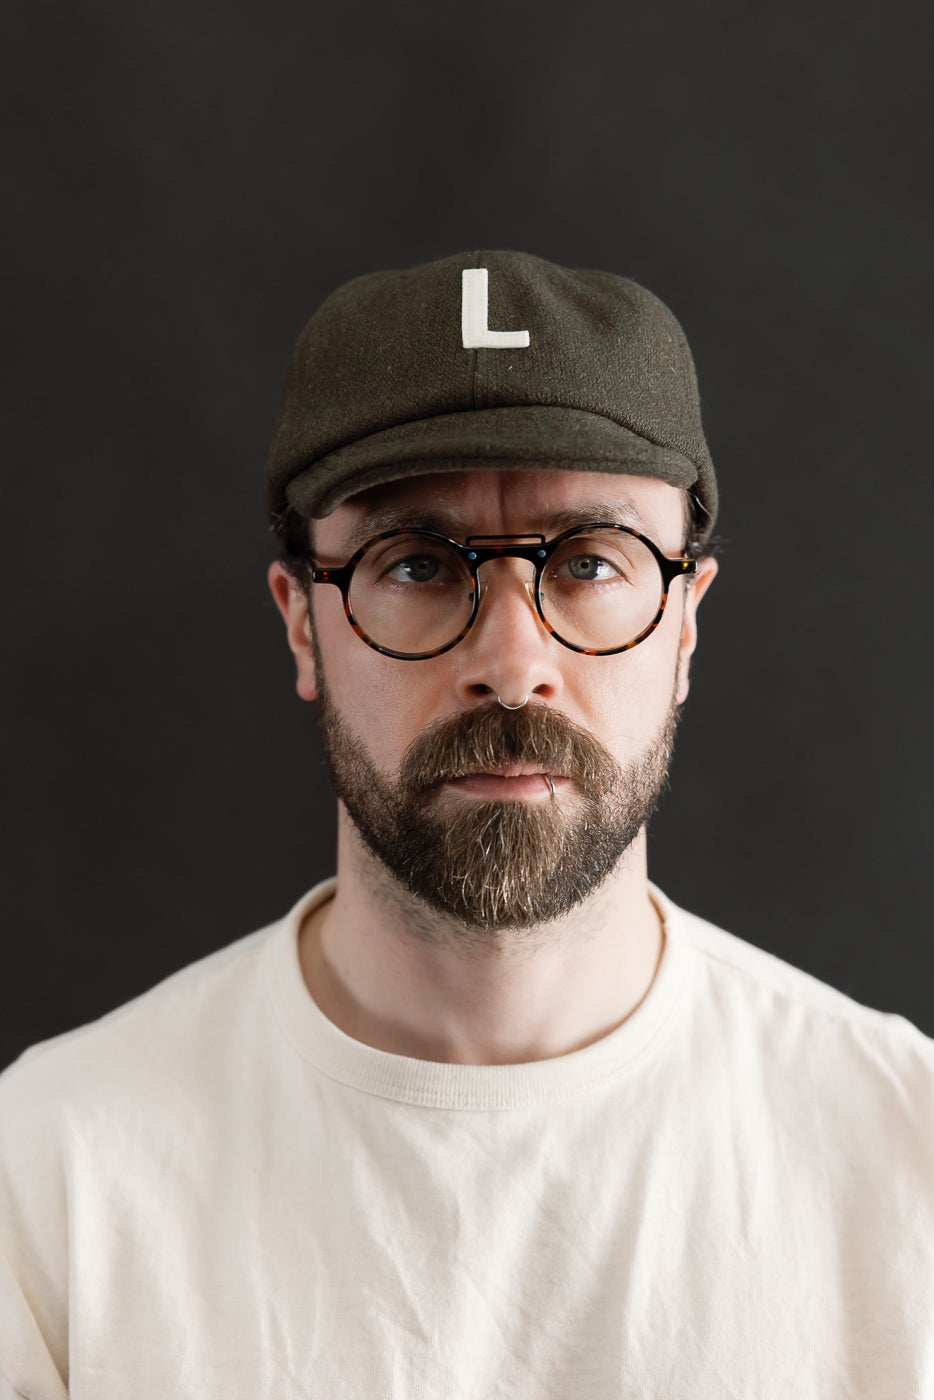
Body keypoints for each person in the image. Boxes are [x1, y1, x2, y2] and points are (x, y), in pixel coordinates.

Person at [1, 250, 932, 1398]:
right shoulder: (46, 1176)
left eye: (591, 561)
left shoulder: (906, 1153)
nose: (509, 663)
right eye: (419, 565)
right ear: (302, 624)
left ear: (684, 624)